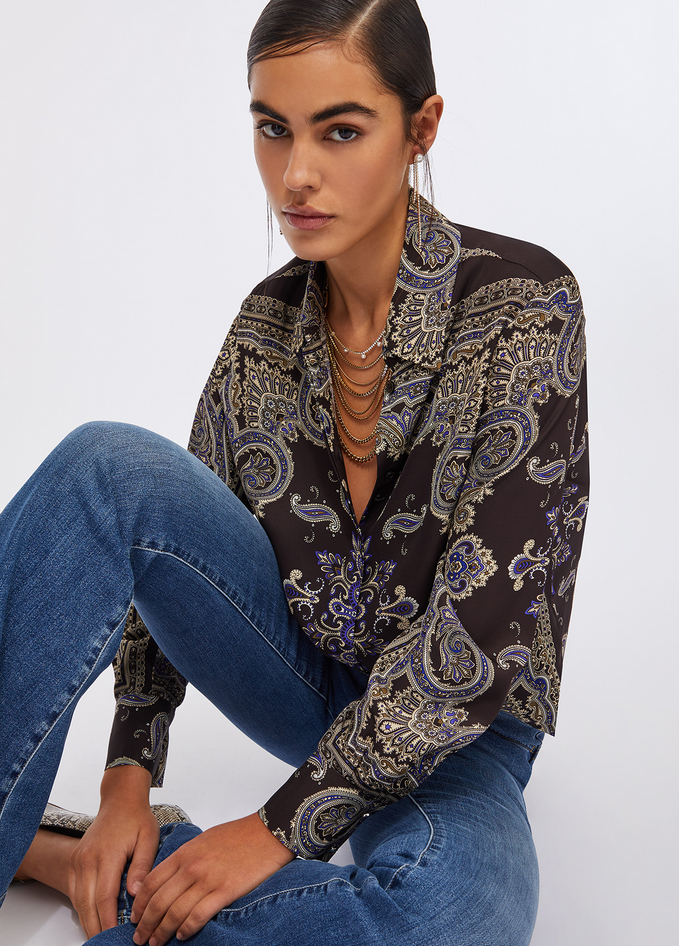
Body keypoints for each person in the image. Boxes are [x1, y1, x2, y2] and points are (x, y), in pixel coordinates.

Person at [0, 0, 589, 944]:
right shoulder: (264, 328)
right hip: (294, 672)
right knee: (105, 469)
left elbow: (474, 649)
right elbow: (165, 552)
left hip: (459, 734)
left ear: (421, 128)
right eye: (272, 129)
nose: (295, 174)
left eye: (340, 131)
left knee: (455, 917)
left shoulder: (526, 309)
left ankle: (98, 873)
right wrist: (126, 779)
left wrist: (276, 830)